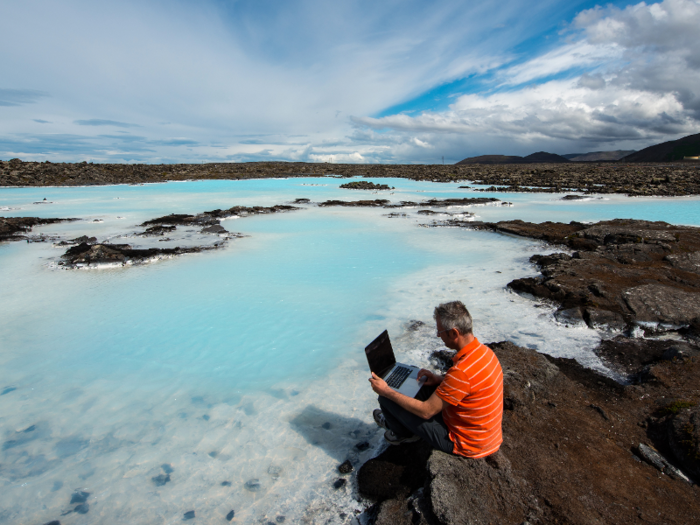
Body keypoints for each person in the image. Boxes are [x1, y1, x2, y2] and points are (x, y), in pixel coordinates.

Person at [369, 301, 503, 458]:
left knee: (387, 399)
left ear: (454, 333)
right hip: (485, 435)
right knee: (417, 380)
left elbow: (426, 412)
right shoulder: (485, 352)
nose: (438, 336)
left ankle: (402, 434)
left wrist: (386, 391)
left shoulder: (461, 372)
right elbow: (470, 384)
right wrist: (439, 379)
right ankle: (398, 420)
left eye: (440, 332)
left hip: (467, 443)